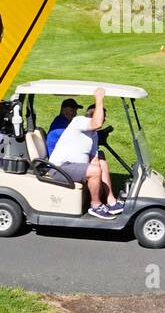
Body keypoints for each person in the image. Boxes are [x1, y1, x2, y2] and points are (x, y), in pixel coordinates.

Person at [48, 88, 123, 218]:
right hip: (59, 168)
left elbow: (94, 157)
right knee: (95, 171)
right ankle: (96, 206)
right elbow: (97, 122)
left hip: (71, 165)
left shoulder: (92, 135)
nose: (104, 121)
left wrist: (99, 167)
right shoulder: (78, 121)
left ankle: (111, 201)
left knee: (100, 161)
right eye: (103, 117)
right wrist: (99, 98)